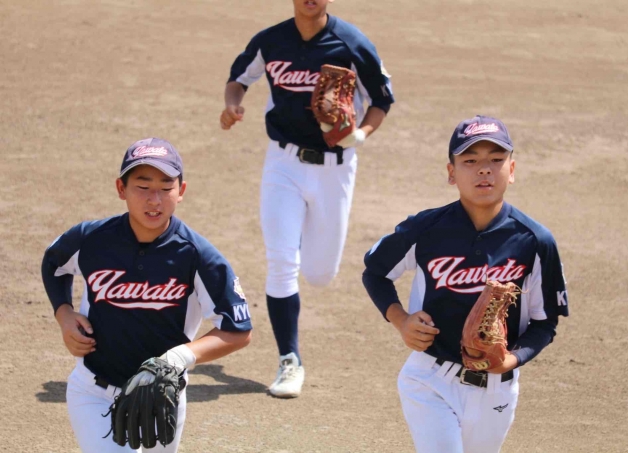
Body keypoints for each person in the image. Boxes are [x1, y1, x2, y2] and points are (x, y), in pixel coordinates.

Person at [362, 115, 570, 453]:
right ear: (451, 173)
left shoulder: (535, 241)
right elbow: (375, 272)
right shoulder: (425, 229)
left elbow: (545, 323)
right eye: (470, 161)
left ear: (512, 170)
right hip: (429, 379)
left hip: (497, 390)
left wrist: (511, 359)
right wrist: (401, 320)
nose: (484, 169)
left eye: (496, 159)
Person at [220, 0, 395, 398]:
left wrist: (361, 135)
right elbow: (238, 80)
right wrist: (232, 104)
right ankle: (290, 360)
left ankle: (298, 229)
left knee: (319, 274)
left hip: (336, 169)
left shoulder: (352, 44)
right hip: (283, 163)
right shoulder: (270, 41)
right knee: (282, 262)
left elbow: (382, 100)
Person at [41, 138, 253, 452]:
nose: (155, 200)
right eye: (142, 187)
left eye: (166, 187)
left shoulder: (198, 255)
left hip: (162, 397)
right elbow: (53, 263)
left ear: (181, 191)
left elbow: (238, 331)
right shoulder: (91, 239)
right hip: (94, 393)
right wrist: (64, 313)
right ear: (121, 188)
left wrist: (178, 358)